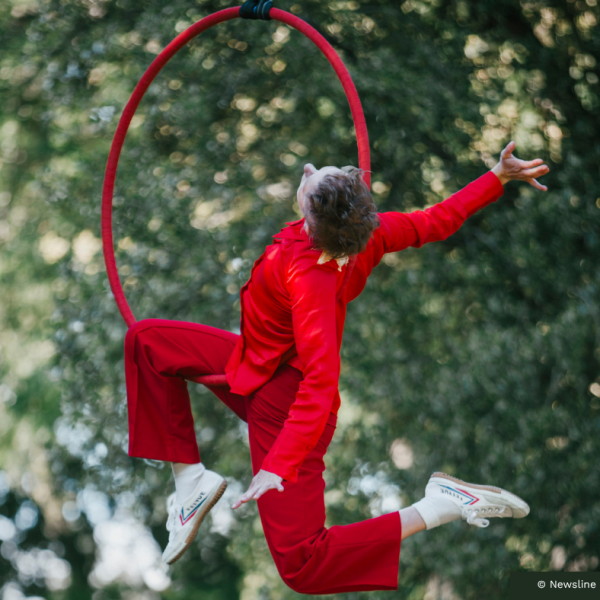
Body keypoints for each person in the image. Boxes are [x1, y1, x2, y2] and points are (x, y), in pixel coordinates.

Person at [123, 140, 549, 593]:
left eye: (311, 177)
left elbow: (321, 383)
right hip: (256, 363)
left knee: (303, 566)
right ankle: (190, 482)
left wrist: (276, 466)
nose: (305, 166)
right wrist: (497, 177)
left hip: (287, 407)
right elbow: (436, 220)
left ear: (311, 217)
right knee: (148, 342)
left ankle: (436, 507)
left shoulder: (309, 279)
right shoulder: (370, 232)